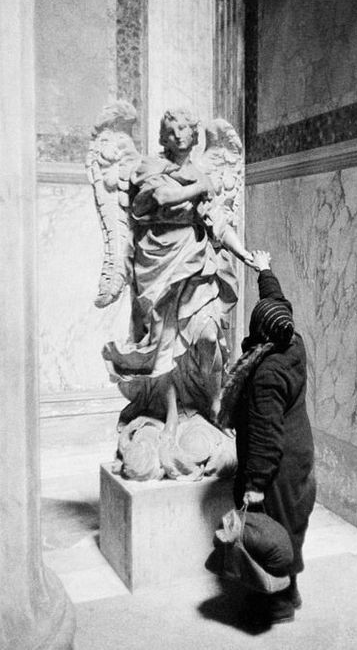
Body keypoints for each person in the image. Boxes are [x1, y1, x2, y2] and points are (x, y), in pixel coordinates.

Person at [103, 108, 254, 439]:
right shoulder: (148, 167)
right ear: (163, 136)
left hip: (197, 261)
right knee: (163, 345)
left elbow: (217, 220)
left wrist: (243, 254)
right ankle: (169, 412)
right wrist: (200, 185)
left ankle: (215, 405)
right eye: (172, 130)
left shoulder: (201, 172)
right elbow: (161, 195)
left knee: (209, 336)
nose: (180, 135)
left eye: (186, 129)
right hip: (156, 264)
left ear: (195, 135)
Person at [218, 250, 316, 625]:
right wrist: (264, 269)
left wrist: (255, 485)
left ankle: (277, 604)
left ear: (258, 332)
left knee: (272, 528)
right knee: (291, 523)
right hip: (298, 451)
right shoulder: (291, 342)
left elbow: (263, 435)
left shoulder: (266, 374)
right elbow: (275, 302)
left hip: (277, 463)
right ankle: (289, 592)